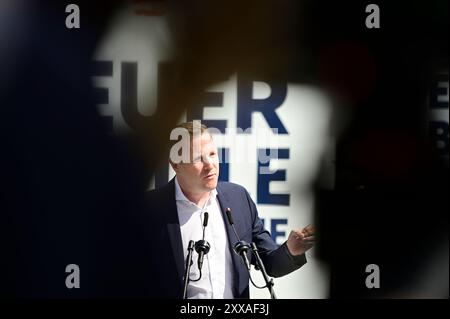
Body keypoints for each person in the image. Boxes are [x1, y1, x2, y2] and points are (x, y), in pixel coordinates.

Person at [145, 121, 315, 299]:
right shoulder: (150, 209)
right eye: (197, 158)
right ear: (176, 165)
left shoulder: (238, 198)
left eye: (212, 154)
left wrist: (291, 250)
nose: (210, 164)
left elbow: (269, 263)